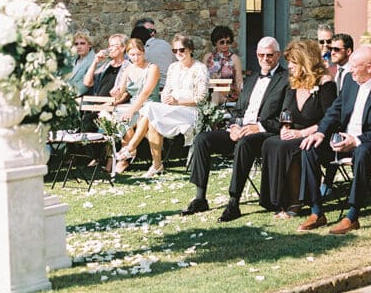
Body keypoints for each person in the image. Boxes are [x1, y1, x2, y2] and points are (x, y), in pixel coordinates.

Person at [298, 45, 371, 234]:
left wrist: (356, 140)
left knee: (362, 152)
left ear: (369, 68)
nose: (350, 69)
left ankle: (352, 215)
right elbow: (335, 110)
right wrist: (321, 132)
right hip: (342, 139)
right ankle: (316, 210)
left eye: (355, 65)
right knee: (310, 147)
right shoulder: (350, 80)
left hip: (368, 143)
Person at [181, 37, 287, 221]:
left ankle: (233, 201)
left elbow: (285, 115)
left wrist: (258, 127)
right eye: (261, 55)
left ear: (278, 55)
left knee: (245, 143)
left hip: (265, 135)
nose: (265, 59)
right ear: (257, 55)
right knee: (202, 139)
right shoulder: (252, 78)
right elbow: (238, 110)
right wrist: (235, 126)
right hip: (241, 130)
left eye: (270, 55)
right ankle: (200, 198)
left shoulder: (285, 79)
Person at [259, 38, 336, 217]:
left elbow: (330, 119)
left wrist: (301, 133)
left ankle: (295, 202)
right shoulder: (294, 82)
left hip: (317, 135)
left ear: (305, 61)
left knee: (288, 147)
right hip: (295, 132)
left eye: (293, 62)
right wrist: (285, 128)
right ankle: (276, 201)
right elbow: (286, 112)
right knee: (271, 143)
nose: (290, 66)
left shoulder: (325, 83)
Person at [140, 35, 210, 175]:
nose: (178, 53)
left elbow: (201, 99)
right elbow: (167, 89)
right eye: (174, 51)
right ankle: (157, 165)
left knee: (150, 109)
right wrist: (166, 97)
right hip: (172, 110)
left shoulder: (200, 68)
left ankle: (131, 147)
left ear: (190, 49)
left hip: (190, 112)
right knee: (153, 120)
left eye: (181, 50)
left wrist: (178, 101)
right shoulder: (173, 68)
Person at [110, 38, 160, 174]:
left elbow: (145, 93)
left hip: (150, 103)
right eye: (132, 55)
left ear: (144, 52)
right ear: (128, 55)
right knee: (119, 116)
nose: (136, 58)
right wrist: (116, 93)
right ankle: (126, 157)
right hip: (133, 104)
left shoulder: (152, 68)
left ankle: (129, 151)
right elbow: (121, 91)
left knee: (140, 115)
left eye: (139, 54)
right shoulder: (127, 69)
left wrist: (132, 110)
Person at [83, 33, 130, 100]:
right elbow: (87, 83)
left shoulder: (128, 67)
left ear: (123, 48)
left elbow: (127, 94)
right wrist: (95, 62)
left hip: (114, 106)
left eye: (113, 46)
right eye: (109, 46)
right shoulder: (105, 66)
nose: (110, 49)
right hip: (96, 105)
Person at [202, 25, 243, 102]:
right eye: (222, 42)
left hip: (228, 94)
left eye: (228, 42)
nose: (225, 45)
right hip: (211, 92)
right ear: (215, 42)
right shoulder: (207, 58)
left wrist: (241, 96)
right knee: (211, 87)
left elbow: (239, 80)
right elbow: (203, 79)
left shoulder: (235, 59)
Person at [133, 17, 173, 89]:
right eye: (150, 30)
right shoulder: (166, 44)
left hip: (152, 90)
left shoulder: (140, 50)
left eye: (154, 31)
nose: (153, 33)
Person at [67, 31, 95, 95]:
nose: (79, 47)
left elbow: (82, 88)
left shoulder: (94, 61)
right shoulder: (71, 60)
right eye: (76, 44)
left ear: (89, 44)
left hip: (83, 100)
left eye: (82, 43)